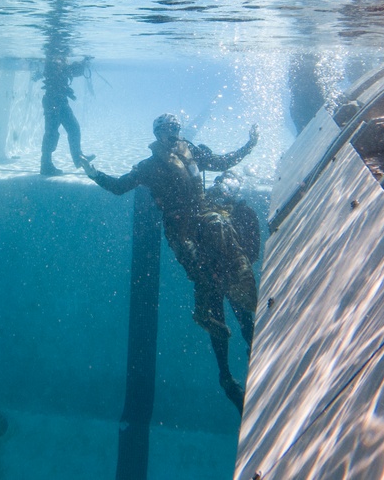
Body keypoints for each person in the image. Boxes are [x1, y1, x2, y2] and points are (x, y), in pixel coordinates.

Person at [81, 113, 259, 413]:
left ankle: (256, 347)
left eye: (176, 128)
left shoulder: (193, 151)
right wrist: (92, 171)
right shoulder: (149, 167)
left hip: (206, 221)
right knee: (209, 286)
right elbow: (119, 186)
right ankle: (226, 377)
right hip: (182, 231)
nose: (173, 134)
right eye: (166, 130)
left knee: (233, 277)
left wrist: (249, 145)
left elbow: (223, 162)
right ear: (157, 133)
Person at [38, 55, 93, 176]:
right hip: (54, 102)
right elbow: (70, 70)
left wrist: (83, 63)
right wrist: (83, 63)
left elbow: (71, 70)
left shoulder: (57, 64)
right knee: (53, 133)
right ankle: (46, 165)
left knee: (69, 129)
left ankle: (78, 158)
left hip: (58, 101)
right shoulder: (54, 63)